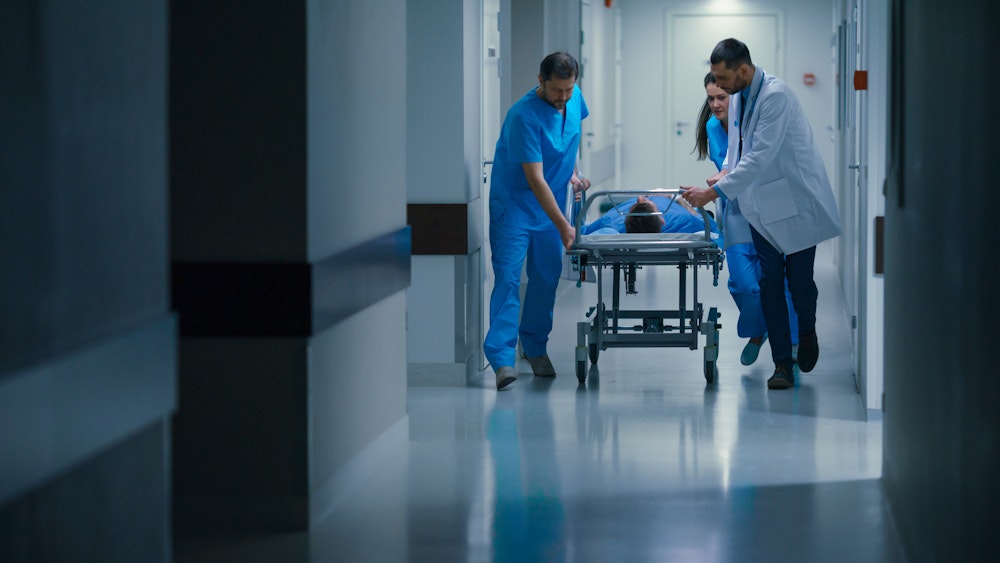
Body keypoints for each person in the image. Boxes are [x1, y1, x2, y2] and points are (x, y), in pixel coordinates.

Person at [681, 38, 841, 390]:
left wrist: (713, 192)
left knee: (799, 284)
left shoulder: (775, 97)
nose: (718, 87)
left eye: (722, 78)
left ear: (743, 70)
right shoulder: (739, 98)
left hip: (795, 205)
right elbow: (738, 150)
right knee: (769, 283)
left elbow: (760, 157)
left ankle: (809, 332)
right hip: (760, 208)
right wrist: (722, 172)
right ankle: (782, 364)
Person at [485, 52, 591, 391]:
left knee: (546, 280)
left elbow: (572, 140)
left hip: (551, 209)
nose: (563, 98)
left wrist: (575, 174)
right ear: (540, 81)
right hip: (515, 208)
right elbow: (535, 178)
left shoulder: (574, 101)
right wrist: (564, 225)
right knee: (508, 279)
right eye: (557, 90)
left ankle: (534, 346)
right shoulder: (523, 116)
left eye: (569, 89)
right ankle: (501, 359)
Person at [693, 72, 800, 367]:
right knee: (744, 286)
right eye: (710, 98)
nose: (715, 104)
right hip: (737, 212)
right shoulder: (713, 127)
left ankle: (791, 344)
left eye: (721, 97)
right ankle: (759, 331)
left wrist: (723, 179)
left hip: (769, 210)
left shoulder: (756, 120)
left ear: (735, 95)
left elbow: (754, 161)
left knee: (779, 283)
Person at [582, 195, 719, 237]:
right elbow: (711, 226)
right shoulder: (683, 219)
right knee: (705, 214)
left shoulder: (611, 221)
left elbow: (584, 232)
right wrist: (675, 198)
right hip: (676, 204)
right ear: (662, 220)